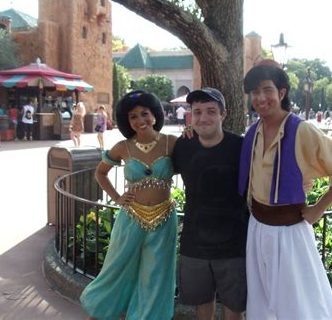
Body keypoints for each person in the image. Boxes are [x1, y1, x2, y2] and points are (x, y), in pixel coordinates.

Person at [239, 60, 332, 319]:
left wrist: (318, 209)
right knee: (261, 301)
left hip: (289, 233)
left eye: (267, 90)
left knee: (296, 303)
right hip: (257, 227)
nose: (260, 98)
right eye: (255, 92)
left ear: (281, 93)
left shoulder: (301, 130)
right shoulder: (253, 132)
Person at [80, 90, 178, 320]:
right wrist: (116, 198)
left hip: (164, 220)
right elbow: (100, 173)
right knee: (117, 267)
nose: (140, 120)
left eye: (144, 114)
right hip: (131, 218)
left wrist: (194, 133)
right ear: (127, 121)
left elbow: (196, 159)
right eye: (133, 117)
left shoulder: (171, 143)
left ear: (154, 115)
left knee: (156, 274)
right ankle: (100, 311)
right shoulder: (122, 147)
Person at [172, 88, 248, 320]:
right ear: (191, 116)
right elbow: (155, 169)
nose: (203, 118)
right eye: (197, 112)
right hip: (195, 243)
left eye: (211, 111)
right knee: (202, 306)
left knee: (234, 307)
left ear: (223, 115)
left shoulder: (240, 147)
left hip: (234, 244)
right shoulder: (183, 146)